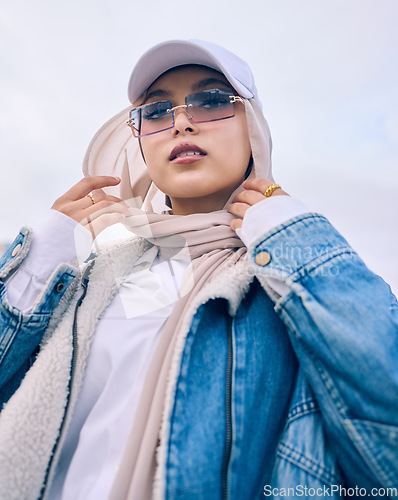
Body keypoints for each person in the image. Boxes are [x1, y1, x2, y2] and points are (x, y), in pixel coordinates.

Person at [0, 39, 397, 500]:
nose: (182, 121)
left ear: (254, 129)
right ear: (140, 142)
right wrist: (42, 256)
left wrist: (297, 239)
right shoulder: (93, 277)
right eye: (156, 111)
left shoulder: (293, 283)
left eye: (211, 101)